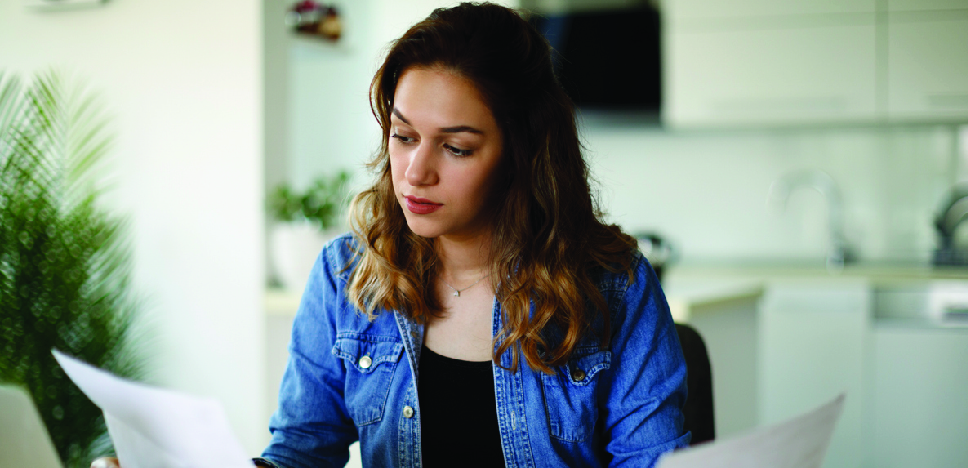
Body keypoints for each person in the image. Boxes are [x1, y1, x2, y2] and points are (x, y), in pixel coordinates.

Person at [92, 3, 689, 468]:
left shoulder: (614, 287)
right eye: (403, 137)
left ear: (523, 155)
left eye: (456, 147)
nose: (416, 172)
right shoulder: (346, 275)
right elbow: (302, 454)